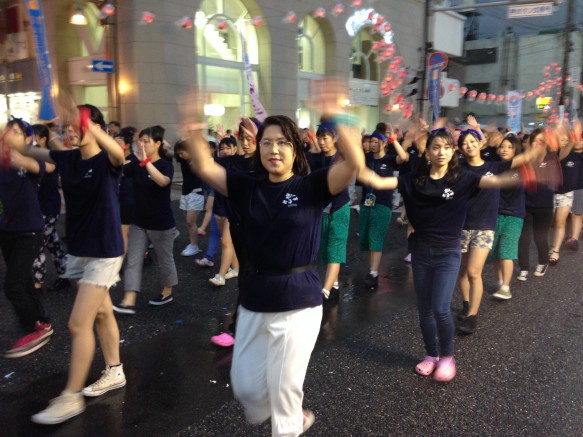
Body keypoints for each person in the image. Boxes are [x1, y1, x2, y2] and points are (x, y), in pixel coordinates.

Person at [181, 81, 364, 435]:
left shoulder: (311, 186)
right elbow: (203, 165)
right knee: (247, 388)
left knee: (283, 393)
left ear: (296, 149)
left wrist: (337, 114)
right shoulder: (246, 186)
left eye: (282, 142)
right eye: (267, 142)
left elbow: (353, 163)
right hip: (254, 297)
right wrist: (190, 121)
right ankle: (293, 417)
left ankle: (288, 422)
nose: (273, 149)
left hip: (299, 299)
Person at [361, 128, 534, 382]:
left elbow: (495, 181)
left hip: (448, 253)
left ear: (453, 151)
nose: (441, 152)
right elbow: (377, 181)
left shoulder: (462, 178)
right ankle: (431, 355)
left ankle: (448, 358)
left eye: (446, 147)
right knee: (425, 310)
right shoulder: (415, 179)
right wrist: (353, 148)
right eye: (435, 147)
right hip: (420, 251)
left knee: (441, 308)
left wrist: (528, 172)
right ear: (428, 152)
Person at [17, 105, 126, 424]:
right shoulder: (68, 158)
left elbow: (118, 153)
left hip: (105, 250)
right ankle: (115, 371)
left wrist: (92, 128)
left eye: (77, 125)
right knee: (102, 312)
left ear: (96, 127)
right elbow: (28, 149)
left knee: (78, 323)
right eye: (67, 126)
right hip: (79, 250)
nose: (70, 130)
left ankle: (71, 397)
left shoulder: (107, 160)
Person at [1, 118, 52, 359]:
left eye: (17, 132)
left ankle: (35, 328)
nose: (10, 134)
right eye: (8, 130)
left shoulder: (30, 161)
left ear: (27, 138)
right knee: (24, 281)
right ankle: (42, 321)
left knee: (12, 285)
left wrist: (15, 149)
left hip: (29, 230)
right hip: (6, 231)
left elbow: (42, 164)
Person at [113, 126, 179, 314]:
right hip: (139, 222)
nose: (141, 144)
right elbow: (119, 168)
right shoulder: (135, 163)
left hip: (161, 223)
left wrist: (146, 162)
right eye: (139, 141)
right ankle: (129, 299)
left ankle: (167, 291)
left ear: (157, 144)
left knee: (165, 260)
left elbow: (163, 182)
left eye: (146, 141)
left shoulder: (165, 164)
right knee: (133, 260)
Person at [358, 130, 408, 287]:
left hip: (383, 204)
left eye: (376, 141)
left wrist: (394, 139)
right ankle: (371, 270)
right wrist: (359, 138)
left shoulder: (390, 159)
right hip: (366, 203)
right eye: (370, 141)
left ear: (384, 143)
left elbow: (404, 157)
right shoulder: (366, 159)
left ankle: (374, 272)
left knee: (375, 238)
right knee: (366, 240)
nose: (372, 144)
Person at [310, 123, 351, 299]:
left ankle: (325, 290)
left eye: (325, 137)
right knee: (325, 247)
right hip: (322, 209)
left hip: (340, 207)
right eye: (319, 137)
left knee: (336, 245)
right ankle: (333, 281)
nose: (322, 141)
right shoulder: (316, 158)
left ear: (334, 138)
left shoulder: (342, 157)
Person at [30, 123, 69, 292]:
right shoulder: (32, 154)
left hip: (49, 206)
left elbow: (51, 168)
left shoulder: (50, 156)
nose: (31, 138)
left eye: (34, 135)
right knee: (53, 243)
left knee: (37, 244)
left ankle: (37, 283)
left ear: (43, 138)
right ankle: (65, 274)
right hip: (38, 206)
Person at [490, 134, 526, 301]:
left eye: (509, 147)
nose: (504, 149)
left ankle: (506, 287)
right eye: (502, 146)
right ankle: (499, 282)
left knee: (507, 252)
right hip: (495, 214)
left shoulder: (522, 168)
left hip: (514, 216)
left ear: (516, 150)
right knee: (496, 253)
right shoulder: (495, 167)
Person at [175, 138, 205, 257]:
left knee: (190, 221)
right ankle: (192, 244)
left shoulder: (196, 160)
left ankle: (194, 246)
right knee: (189, 223)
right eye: (179, 154)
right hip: (186, 193)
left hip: (196, 193)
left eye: (182, 153)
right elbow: (170, 152)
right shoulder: (183, 161)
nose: (180, 156)